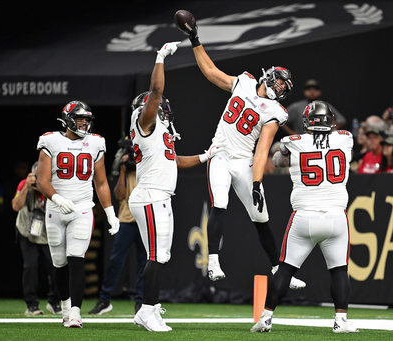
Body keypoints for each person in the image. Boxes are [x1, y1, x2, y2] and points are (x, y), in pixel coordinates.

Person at [186, 23, 306, 290]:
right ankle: (214, 261)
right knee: (219, 203)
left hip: (244, 161)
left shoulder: (276, 111)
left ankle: (277, 268)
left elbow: (263, 148)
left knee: (261, 217)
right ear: (268, 76)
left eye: (284, 86)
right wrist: (195, 39)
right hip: (219, 154)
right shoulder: (244, 82)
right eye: (278, 80)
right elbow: (209, 71)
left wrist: (256, 183)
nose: (280, 87)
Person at [128, 41, 225, 332]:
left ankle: (150, 307)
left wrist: (206, 155)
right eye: (159, 108)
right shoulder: (144, 120)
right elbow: (156, 93)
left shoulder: (160, 134)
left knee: (158, 255)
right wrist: (160, 57)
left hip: (157, 195)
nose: (164, 111)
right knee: (159, 256)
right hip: (151, 195)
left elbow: (175, 162)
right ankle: (146, 310)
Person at [252, 101, 358, 334]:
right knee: (339, 270)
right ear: (330, 120)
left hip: (304, 216)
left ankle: (266, 318)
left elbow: (278, 161)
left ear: (307, 122)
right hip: (336, 216)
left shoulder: (292, 142)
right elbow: (344, 156)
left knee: (285, 269)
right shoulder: (345, 137)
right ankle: (341, 321)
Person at [36, 100, 121, 328]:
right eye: (79, 119)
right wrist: (57, 198)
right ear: (66, 119)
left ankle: (75, 312)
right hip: (56, 208)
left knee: (76, 258)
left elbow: (101, 182)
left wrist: (110, 213)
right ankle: (65, 307)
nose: (83, 124)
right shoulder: (50, 140)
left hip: (82, 208)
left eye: (86, 120)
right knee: (59, 262)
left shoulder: (96, 143)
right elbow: (42, 181)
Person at [89, 140, 146, 316]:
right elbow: (119, 194)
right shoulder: (127, 171)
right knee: (115, 261)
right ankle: (104, 299)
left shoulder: (147, 169)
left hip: (145, 222)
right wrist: (122, 169)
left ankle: (141, 303)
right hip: (127, 221)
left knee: (144, 264)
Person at [12, 161, 61, 316]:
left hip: (47, 233)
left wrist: (44, 189)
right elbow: (15, 206)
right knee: (30, 266)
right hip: (27, 231)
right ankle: (31, 305)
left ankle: (54, 302)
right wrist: (27, 186)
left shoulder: (54, 186)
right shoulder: (23, 184)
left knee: (56, 267)